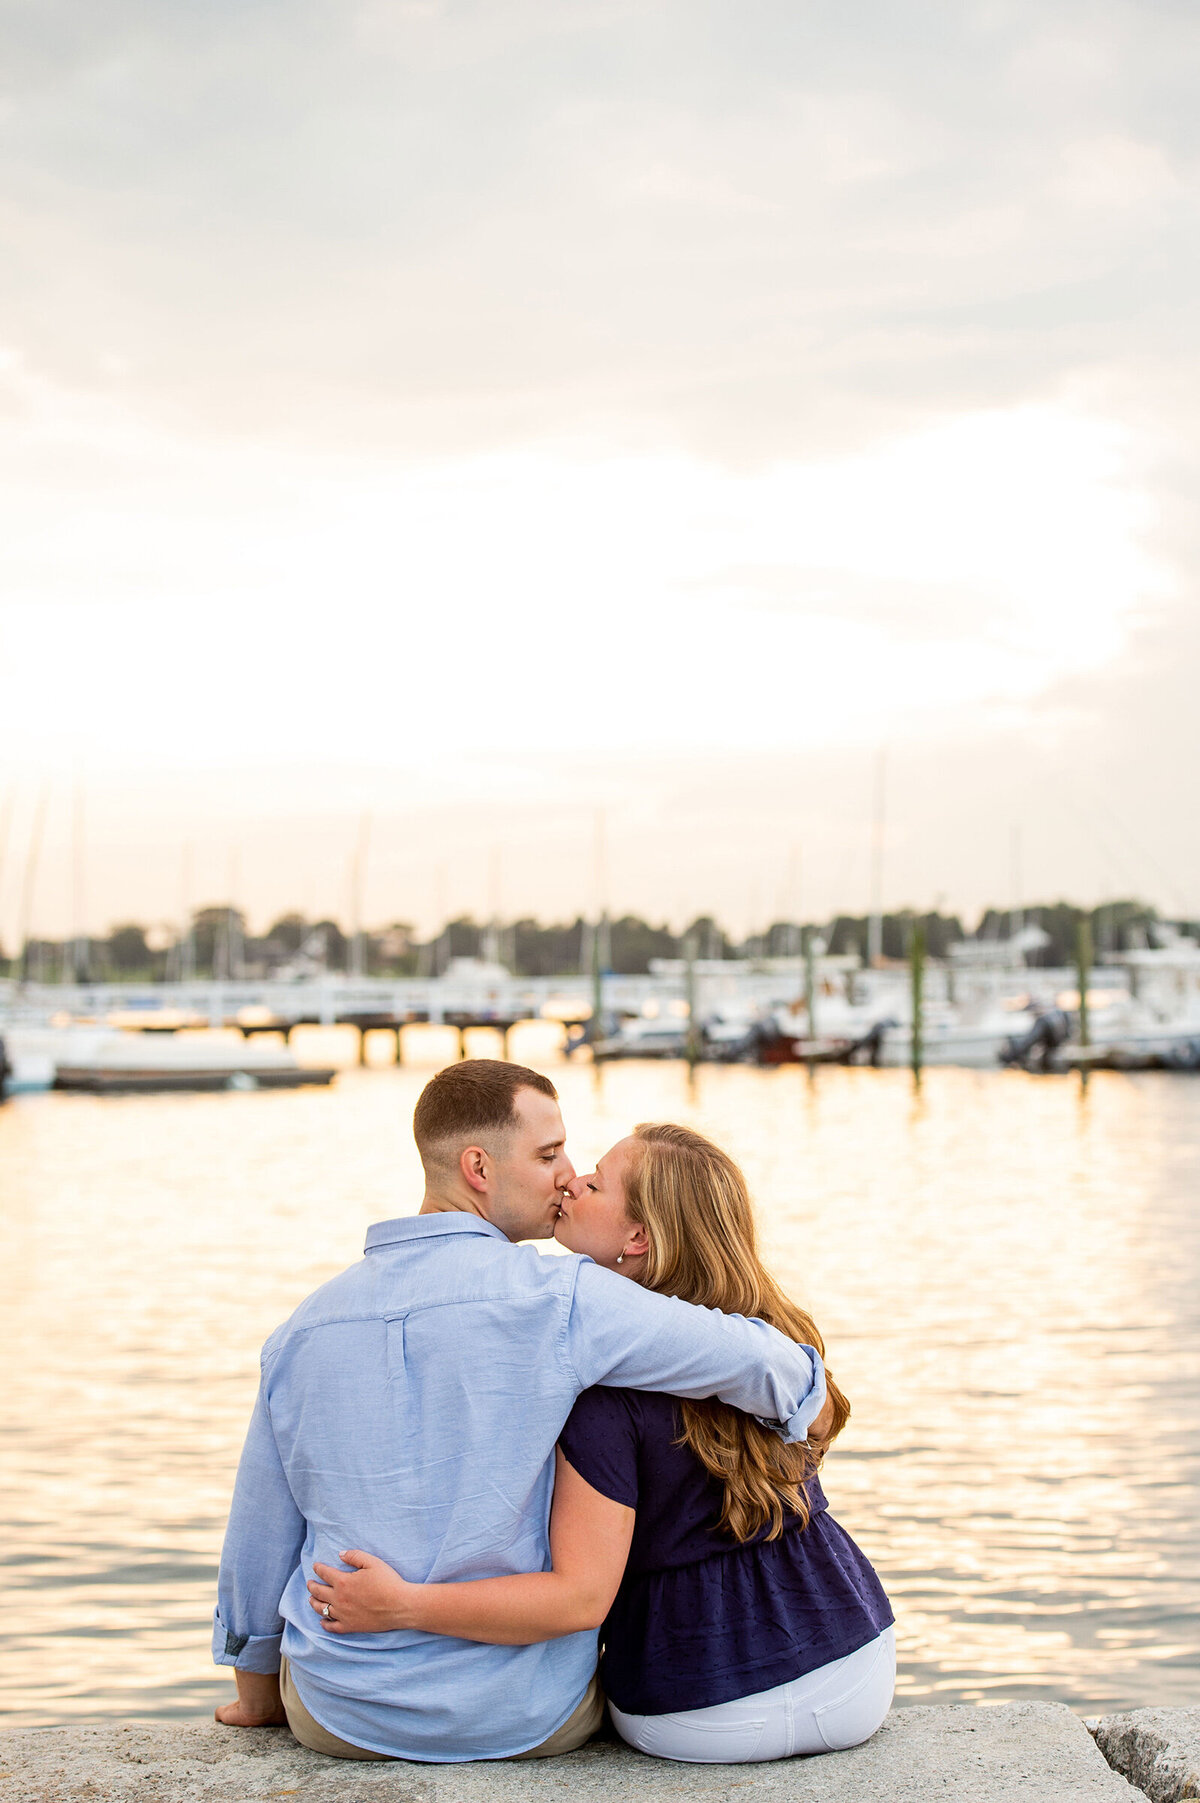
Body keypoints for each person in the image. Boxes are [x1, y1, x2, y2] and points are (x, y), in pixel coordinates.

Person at [213, 1063, 829, 1762]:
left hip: (342, 1712)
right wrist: (809, 1403)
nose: (567, 1175)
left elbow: (259, 1531)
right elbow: (748, 1357)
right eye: (548, 1155)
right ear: (478, 1166)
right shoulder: (563, 1300)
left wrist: (258, 1694)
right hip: (526, 1716)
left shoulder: (299, 1331)